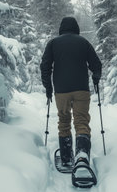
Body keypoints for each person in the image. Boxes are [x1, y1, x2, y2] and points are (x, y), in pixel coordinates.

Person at [40, 16, 102, 168]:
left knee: (64, 120)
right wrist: (95, 78)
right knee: (81, 121)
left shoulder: (53, 43)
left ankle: (67, 158)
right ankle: (82, 157)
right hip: (81, 88)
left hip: (61, 91)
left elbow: (45, 67)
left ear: (61, 28)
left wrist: (48, 87)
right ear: (76, 28)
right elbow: (96, 64)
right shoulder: (83, 42)